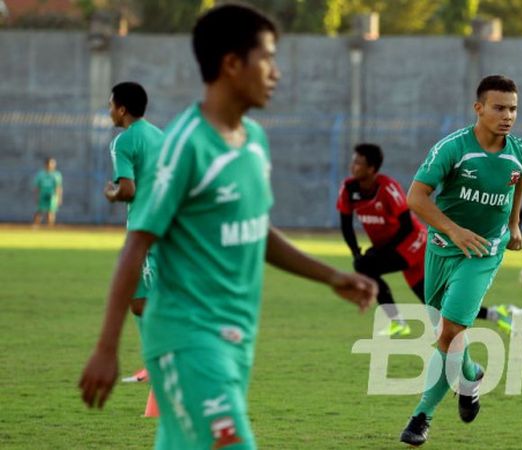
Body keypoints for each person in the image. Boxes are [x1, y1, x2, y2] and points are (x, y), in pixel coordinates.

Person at [79, 5, 377, 449]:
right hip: (187, 339)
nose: (276, 73)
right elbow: (137, 244)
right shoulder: (184, 146)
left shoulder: (253, 141)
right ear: (232, 64)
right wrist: (106, 347)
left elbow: (256, 231)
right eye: (268, 59)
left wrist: (331, 276)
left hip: (235, 337)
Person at [399, 75, 522, 446]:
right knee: (447, 332)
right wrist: (454, 231)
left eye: (513, 109)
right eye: (499, 107)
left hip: (483, 253)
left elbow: (518, 179)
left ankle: (420, 417)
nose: (507, 116)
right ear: (479, 108)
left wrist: (514, 224)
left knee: (448, 332)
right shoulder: (453, 149)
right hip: (442, 249)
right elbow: (416, 197)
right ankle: (471, 375)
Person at [338, 143, 513, 337]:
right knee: (434, 306)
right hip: (392, 249)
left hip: (413, 243)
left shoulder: (388, 188)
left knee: (367, 267)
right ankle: (496, 314)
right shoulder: (348, 189)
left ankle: (397, 322)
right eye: (353, 162)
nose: (352, 166)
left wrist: (377, 253)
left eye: (358, 163)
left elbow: (406, 227)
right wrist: (356, 252)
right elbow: (345, 224)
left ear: (371, 168)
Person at [105, 81, 164, 318]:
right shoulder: (160, 136)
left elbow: (128, 190)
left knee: (145, 303)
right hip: (167, 223)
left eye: (110, 105)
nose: (109, 110)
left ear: (121, 110)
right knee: (140, 303)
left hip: (145, 228)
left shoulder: (123, 142)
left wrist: (112, 193)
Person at [32, 157, 63, 226]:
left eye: (53, 163)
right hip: (42, 194)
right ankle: (36, 226)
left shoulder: (56, 175)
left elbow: (58, 187)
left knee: (51, 212)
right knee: (39, 211)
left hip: (52, 195)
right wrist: (36, 196)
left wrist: (59, 198)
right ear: (46, 164)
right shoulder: (41, 174)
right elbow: (37, 186)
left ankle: (49, 227)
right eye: (49, 163)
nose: (51, 165)